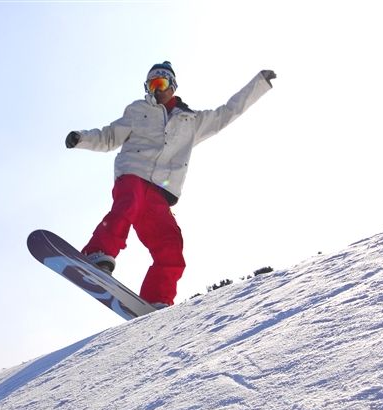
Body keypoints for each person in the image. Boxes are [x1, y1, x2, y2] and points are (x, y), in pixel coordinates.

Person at [65, 61, 275, 307]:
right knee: (127, 204)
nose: (156, 90)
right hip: (132, 174)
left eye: (161, 84)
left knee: (171, 244)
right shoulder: (138, 110)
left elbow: (227, 112)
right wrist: (82, 139)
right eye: (151, 85)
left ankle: (157, 299)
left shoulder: (192, 121)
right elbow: (110, 136)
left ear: (172, 86)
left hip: (159, 192)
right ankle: (97, 253)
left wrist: (259, 85)